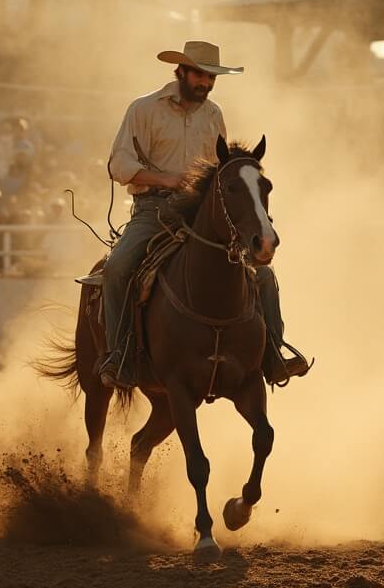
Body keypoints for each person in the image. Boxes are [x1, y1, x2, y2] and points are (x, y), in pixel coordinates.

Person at [99, 40, 310, 389]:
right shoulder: (144, 109)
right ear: (180, 71)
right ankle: (120, 355)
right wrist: (167, 178)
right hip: (154, 211)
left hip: (202, 214)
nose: (206, 83)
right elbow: (119, 164)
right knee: (118, 267)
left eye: (212, 77)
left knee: (263, 276)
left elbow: (222, 169)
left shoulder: (213, 115)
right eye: (200, 75)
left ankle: (272, 355)